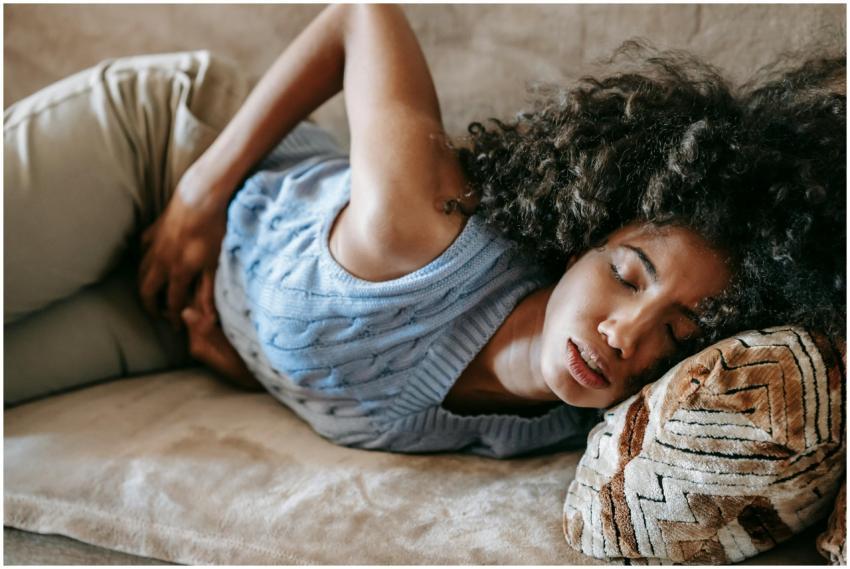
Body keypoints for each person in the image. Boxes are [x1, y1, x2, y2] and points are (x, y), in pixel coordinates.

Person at [5, 6, 844, 457]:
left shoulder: (547, 429)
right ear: (587, 234)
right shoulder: (426, 227)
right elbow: (360, 15)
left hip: (168, 312)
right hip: (161, 155)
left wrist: (244, 357)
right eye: (628, 274)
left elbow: (355, 363)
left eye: (677, 331)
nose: (627, 333)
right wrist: (199, 189)